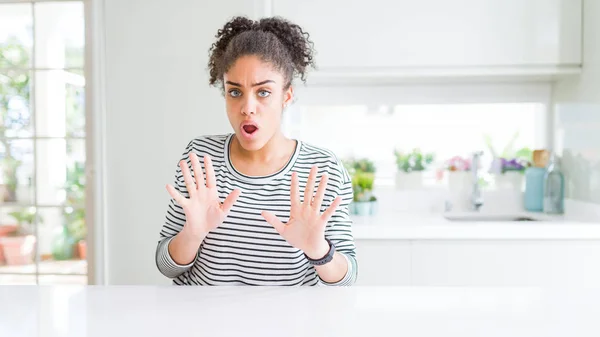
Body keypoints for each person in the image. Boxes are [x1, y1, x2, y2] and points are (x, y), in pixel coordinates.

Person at [155, 16, 358, 286]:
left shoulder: (322, 168)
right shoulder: (201, 156)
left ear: (286, 96)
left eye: (263, 92)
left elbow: (347, 278)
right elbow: (166, 268)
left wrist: (319, 251)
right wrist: (193, 233)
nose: (247, 108)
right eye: (235, 92)